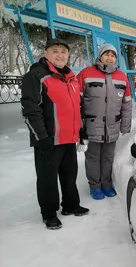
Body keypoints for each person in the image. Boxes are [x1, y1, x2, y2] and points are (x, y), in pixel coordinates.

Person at [21, 38, 89, 230]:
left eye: (63, 52)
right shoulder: (36, 75)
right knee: (47, 179)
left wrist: (81, 130)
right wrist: (41, 137)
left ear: (68, 55)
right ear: (46, 53)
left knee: (69, 175)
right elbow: (30, 109)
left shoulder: (71, 77)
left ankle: (70, 204)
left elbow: (77, 107)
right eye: (55, 51)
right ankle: (49, 213)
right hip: (49, 139)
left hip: (69, 138)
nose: (60, 55)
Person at [77, 44, 132, 200]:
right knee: (93, 156)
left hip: (112, 125)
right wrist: (79, 124)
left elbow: (127, 104)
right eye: (106, 54)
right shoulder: (86, 74)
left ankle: (106, 184)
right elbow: (75, 101)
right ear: (100, 56)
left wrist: (125, 125)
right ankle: (95, 186)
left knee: (108, 156)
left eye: (112, 55)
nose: (109, 58)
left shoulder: (122, 77)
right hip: (91, 125)